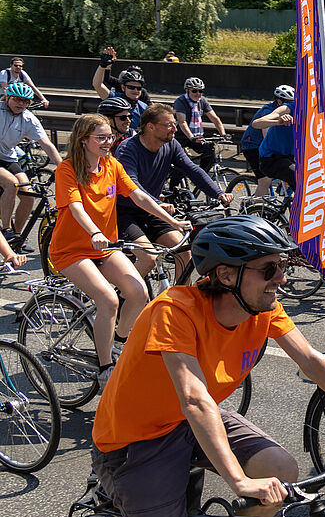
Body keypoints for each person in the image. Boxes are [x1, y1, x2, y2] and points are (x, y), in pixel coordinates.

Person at [91, 215, 325, 517]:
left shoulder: (263, 308)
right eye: (268, 270)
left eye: (282, 266)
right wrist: (239, 481)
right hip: (135, 443)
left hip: (190, 422)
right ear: (226, 274)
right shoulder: (175, 310)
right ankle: (113, 492)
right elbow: (195, 398)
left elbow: (311, 360)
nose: (281, 279)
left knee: (281, 469)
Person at [51, 115, 188, 385]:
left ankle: (118, 342)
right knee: (108, 300)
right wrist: (95, 232)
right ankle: (105, 368)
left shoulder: (111, 165)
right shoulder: (67, 170)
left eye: (109, 138)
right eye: (100, 138)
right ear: (83, 140)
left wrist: (171, 221)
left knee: (138, 292)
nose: (107, 143)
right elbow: (76, 207)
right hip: (72, 250)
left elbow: (137, 195)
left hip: (104, 247)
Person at [116, 104, 233, 280]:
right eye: (169, 124)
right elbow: (132, 185)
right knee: (149, 258)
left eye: (175, 124)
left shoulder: (171, 144)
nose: (175, 129)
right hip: (125, 213)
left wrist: (218, 193)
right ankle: (126, 298)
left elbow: (192, 170)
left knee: (184, 254)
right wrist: (158, 203)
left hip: (153, 211)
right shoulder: (128, 149)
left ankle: (177, 304)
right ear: (150, 126)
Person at [0, 82, 62, 253]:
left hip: (7, 158)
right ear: (8, 98)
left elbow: (47, 144)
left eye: (25, 101)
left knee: (28, 194)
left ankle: (16, 238)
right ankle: (6, 230)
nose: (21, 104)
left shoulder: (28, 119)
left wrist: (63, 168)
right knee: (11, 183)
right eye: (17, 100)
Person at [239, 85, 291, 196]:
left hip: (265, 146)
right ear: (279, 101)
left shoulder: (290, 111)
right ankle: (256, 209)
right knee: (265, 180)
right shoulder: (268, 111)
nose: (291, 104)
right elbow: (266, 136)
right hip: (252, 146)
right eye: (288, 101)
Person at [173, 77, 229, 174]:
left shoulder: (202, 101)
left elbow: (215, 118)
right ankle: (173, 186)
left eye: (200, 91)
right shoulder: (180, 101)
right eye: (194, 91)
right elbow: (182, 122)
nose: (198, 94)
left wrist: (223, 134)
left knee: (209, 154)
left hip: (196, 135)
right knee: (181, 165)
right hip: (181, 136)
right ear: (187, 91)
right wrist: (191, 137)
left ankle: (200, 177)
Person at [254, 85, 298, 188]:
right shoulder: (286, 108)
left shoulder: (310, 112)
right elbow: (256, 123)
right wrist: (279, 122)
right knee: (300, 180)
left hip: (289, 157)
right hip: (271, 159)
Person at [91, 48, 148, 125]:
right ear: (123, 88)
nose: (136, 91)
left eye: (139, 88)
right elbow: (97, 85)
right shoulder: (114, 98)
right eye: (131, 87)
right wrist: (103, 66)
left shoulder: (144, 108)